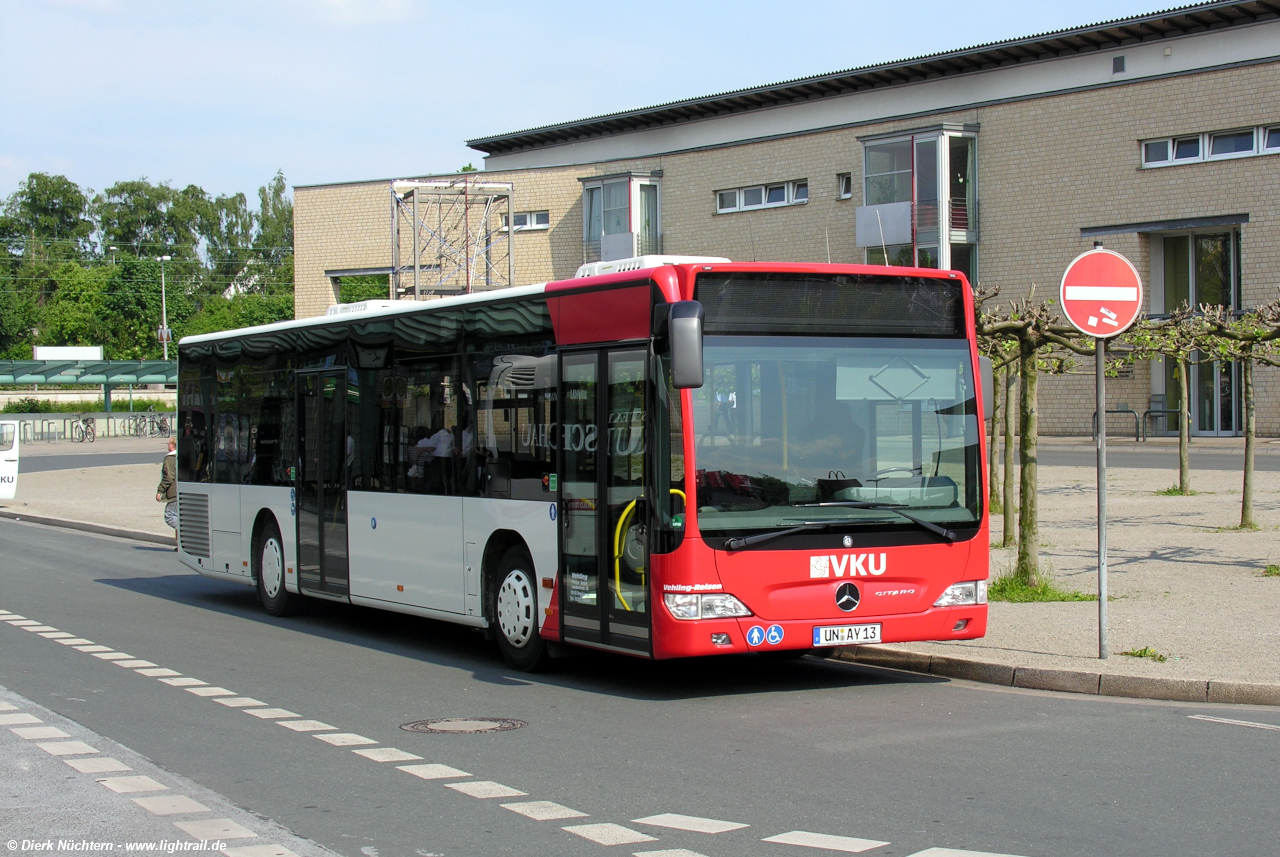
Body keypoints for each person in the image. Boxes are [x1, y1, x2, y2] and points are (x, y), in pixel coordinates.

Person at [156, 438, 178, 533]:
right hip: (181, 490)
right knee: (178, 515)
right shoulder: (180, 456)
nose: (167, 444)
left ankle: (185, 530)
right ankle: (179, 544)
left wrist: (160, 490)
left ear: (173, 445)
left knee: (169, 516)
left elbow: (169, 477)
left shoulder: (170, 459)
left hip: (174, 492)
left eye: (169, 443)